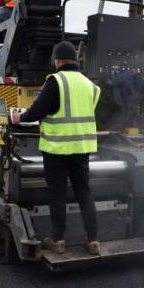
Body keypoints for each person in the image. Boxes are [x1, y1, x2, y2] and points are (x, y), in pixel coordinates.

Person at [11, 41, 101, 255]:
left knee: (58, 193)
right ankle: (93, 240)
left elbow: (39, 110)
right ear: (75, 60)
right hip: (82, 148)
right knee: (83, 192)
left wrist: (19, 117)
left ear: (57, 60)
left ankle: (58, 239)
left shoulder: (56, 80)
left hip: (57, 149)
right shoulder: (90, 85)